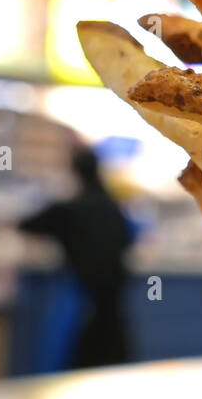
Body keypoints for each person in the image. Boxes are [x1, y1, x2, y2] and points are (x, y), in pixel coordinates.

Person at [19, 146, 133, 368]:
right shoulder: (113, 208)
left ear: (74, 172)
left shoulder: (70, 209)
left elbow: (27, 224)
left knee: (77, 368)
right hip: (115, 308)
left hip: (82, 306)